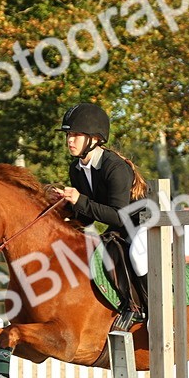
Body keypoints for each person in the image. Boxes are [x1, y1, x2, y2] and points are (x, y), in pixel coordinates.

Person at [49, 102, 150, 319]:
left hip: (148, 223)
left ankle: (153, 310)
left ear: (94, 139)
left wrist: (80, 200)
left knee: (138, 256)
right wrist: (66, 206)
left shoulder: (115, 167)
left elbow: (117, 215)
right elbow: (90, 216)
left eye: (76, 135)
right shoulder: (76, 168)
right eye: (68, 135)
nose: (70, 140)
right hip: (122, 227)